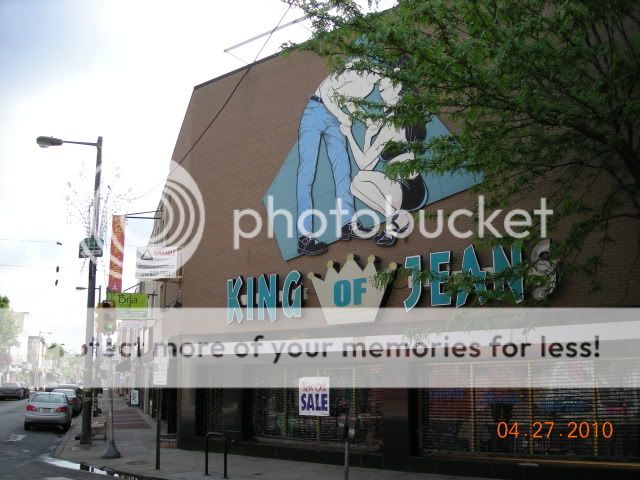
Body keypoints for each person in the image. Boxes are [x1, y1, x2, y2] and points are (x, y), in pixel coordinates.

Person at [296, 66, 377, 255]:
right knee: (306, 173)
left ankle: (348, 223)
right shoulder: (354, 68)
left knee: (343, 168)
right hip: (316, 109)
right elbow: (327, 91)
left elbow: (349, 101)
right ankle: (304, 236)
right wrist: (342, 116)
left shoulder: (369, 84)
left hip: (334, 116)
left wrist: (366, 120)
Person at [340, 79, 428, 247]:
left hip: (405, 188)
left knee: (357, 182)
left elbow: (362, 164)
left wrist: (349, 135)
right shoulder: (401, 119)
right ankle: (395, 220)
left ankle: (397, 219)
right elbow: (368, 167)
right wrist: (368, 137)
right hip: (409, 188)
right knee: (360, 180)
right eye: (381, 89)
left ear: (399, 91)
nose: (382, 93)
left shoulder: (393, 124)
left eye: (387, 89)